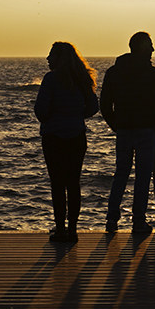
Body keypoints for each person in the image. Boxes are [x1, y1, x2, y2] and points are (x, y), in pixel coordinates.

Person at [99, 31, 155, 235]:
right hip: (146, 130)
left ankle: (112, 219)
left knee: (121, 174)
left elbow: (105, 104)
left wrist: (116, 124)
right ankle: (138, 221)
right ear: (142, 48)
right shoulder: (154, 74)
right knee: (143, 176)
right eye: (150, 45)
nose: (153, 49)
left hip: (124, 130)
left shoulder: (114, 72)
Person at [34, 42, 99, 243]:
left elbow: (40, 111)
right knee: (73, 183)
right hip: (76, 136)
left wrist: (53, 117)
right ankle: (72, 229)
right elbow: (93, 107)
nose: (47, 58)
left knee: (57, 183)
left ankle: (60, 228)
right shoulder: (81, 79)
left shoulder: (51, 79)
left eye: (51, 55)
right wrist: (76, 116)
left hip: (53, 137)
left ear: (59, 58)